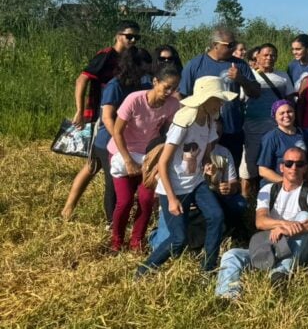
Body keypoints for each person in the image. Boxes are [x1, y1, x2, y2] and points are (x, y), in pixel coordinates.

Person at [137, 75, 234, 275]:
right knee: (178, 239)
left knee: (216, 216)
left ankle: (207, 269)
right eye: (218, 98)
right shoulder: (184, 120)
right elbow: (163, 163)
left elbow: (206, 155)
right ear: (206, 99)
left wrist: (208, 166)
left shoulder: (210, 119)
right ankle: (143, 271)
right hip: (173, 186)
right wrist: (172, 199)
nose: (221, 103)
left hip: (196, 182)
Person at [215, 147, 308, 298]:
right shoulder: (268, 189)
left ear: (305, 168)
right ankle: (227, 295)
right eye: (289, 163)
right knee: (231, 255)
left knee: (304, 215)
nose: (293, 167)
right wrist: (283, 225)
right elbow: (260, 221)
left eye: (299, 164)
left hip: (296, 249)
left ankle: (281, 273)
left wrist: (292, 229)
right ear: (281, 167)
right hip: (269, 247)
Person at [62, 45, 150, 222]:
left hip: (129, 142)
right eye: (144, 67)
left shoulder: (143, 84)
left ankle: (71, 209)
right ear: (133, 66)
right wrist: (120, 139)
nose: (147, 71)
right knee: (113, 184)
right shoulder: (115, 86)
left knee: (93, 170)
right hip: (107, 141)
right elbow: (107, 118)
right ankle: (111, 223)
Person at [106, 64, 182, 253]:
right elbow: (117, 131)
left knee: (146, 200)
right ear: (155, 82)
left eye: (174, 88)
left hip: (148, 156)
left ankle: (137, 241)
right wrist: (128, 160)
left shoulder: (172, 105)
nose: (169, 92)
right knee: (124, 201)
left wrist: (159, 157)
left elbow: (170, 131)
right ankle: (116, 240)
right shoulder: (134, 100)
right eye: (167, 87)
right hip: (122, 152)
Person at [179, 27, 260, 170]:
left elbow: (256, 92)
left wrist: (241, 79)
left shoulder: (239, 64)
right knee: (203, 168)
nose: (233, 48)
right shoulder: (195, 65)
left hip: (232, 128)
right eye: (229, 45)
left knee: (230, 170)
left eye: (234, 44)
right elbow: (183, 95)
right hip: (202, 128)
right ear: (215, 44)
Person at [242, 43, 295, 197]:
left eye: (272, 55)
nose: (269, 58)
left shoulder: (283, 76)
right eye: (265, 55)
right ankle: (248, 200)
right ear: (257, 57)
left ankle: (275, 195)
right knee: (249, 164)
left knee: (274, 161)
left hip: (276, 129)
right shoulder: (249, 76)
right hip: (252, 128)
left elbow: (290, 99)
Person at [71, 19, 141, 129]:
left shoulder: (135, 56)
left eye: (136, 38)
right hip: (101, 107)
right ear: (118, 36)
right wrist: (80, 110)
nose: (133, 40)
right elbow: (81, 79)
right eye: (129, 36)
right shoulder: (106, 55)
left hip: (124, 108)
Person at [258, 99, 308, 184]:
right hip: (276, 184)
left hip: (298, 184)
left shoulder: (303, 133)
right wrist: (286, 182)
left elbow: (307, 164)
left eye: (289, 111)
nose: (286, 115)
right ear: (275, 117)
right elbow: (263, 170)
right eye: (282, 113)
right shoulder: (271, 137)